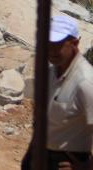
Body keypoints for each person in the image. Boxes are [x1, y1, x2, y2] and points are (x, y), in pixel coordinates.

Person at [21, 15, 93, 170]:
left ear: (75, 43)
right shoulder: (49, 74)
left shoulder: (85, 82)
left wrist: (86, 166)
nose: (51, 50)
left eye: (57, 44)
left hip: (67, 160)